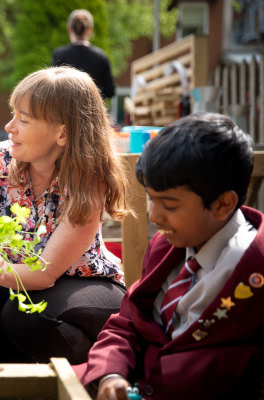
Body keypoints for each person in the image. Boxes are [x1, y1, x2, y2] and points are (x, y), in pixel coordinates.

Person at [76, 112, 264, 400]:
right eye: (151, 199)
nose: (154, 216)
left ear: (224, 204)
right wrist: (111, 373)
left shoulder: (255, 267)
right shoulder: (167, 247)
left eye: (170, 205)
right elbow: (129, 323)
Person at [0, 66, 128, 364]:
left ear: (62, 134)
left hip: (85, 284)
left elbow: (44, 273)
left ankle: (102, 362)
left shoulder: (86, 182)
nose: (9, 126)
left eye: (23, 120)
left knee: (25, 316)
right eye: (13, 114)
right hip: (18, 283)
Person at [51, 9, 115, 100]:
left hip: (66, 111)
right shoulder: (100, 56)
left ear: (69, 30)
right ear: (89, 30)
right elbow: (110, 91)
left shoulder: (59, 55)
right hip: (93, 111)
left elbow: (53, 88)